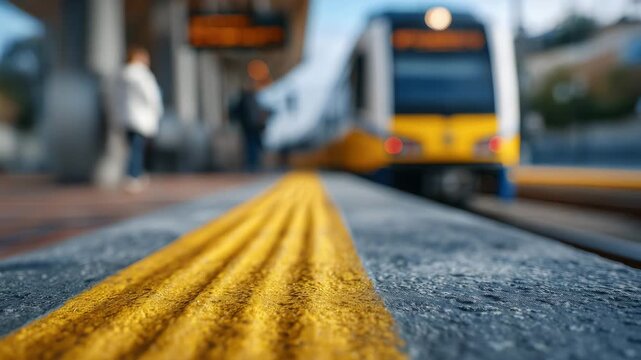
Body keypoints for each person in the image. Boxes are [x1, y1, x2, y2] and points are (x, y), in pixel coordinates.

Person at [116, 46, 163, 193]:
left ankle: (134, 174)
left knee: (132, 148)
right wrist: (157, 112)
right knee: (138, 149)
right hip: (142, 118)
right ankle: (134, 176)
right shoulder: (142, 75)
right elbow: (152, 97)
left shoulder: (122, 74)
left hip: (127, 117)